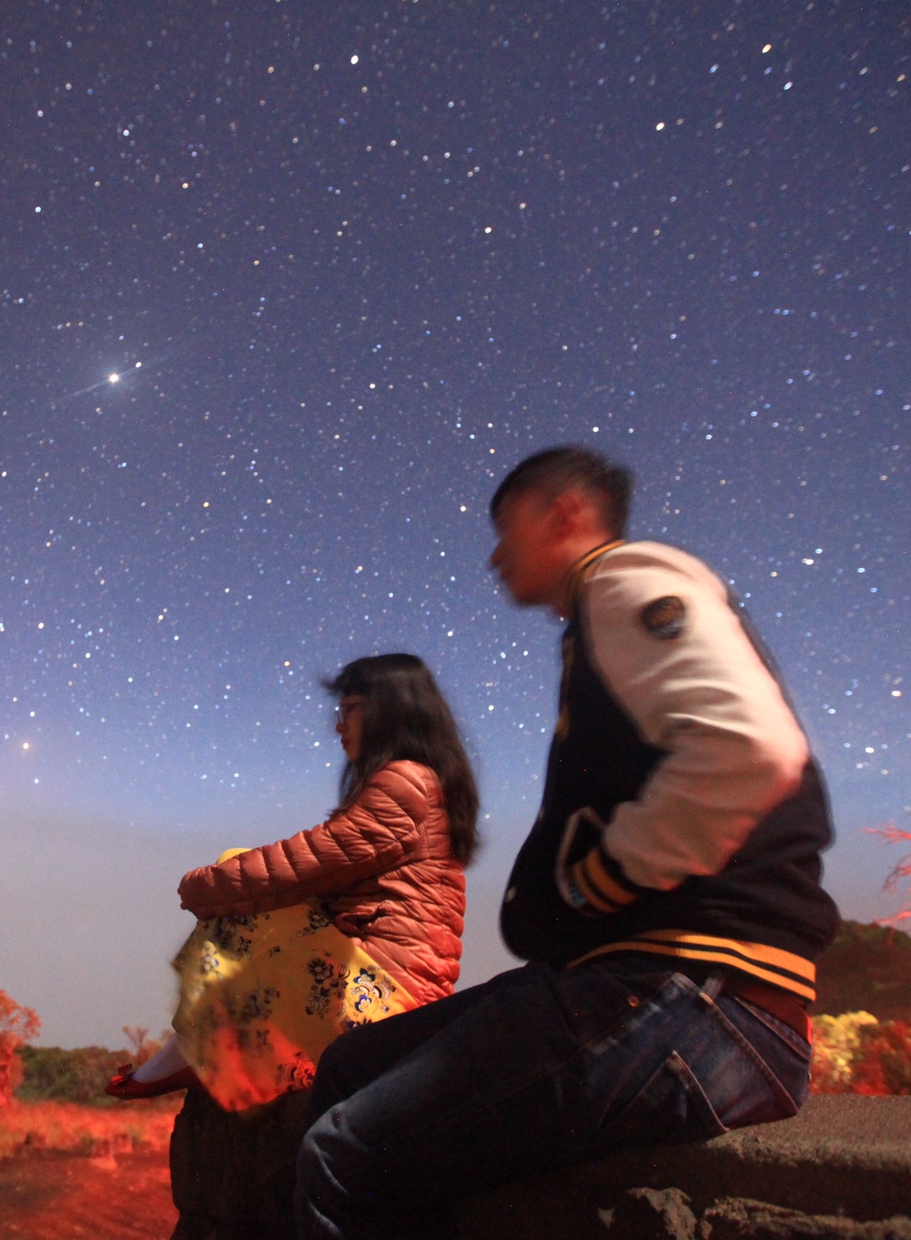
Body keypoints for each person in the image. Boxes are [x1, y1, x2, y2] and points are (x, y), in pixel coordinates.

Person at [291, 447, 839, 1239]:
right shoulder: (599, 621)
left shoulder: (628, 580)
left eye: (504, 526)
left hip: (704, 997)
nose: (493, 553)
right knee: (350, 1068)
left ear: (563, 515)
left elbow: (749, 750)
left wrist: (596, 885)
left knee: (346, 1157)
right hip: (647, 982)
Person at [108, 652, 479, 1114]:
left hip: (384, 1001)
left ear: (389, 709)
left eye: (349, 710)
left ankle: (196, 1045)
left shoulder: (405, 783)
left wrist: (199, 887)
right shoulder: (421, 783)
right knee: (255, 898)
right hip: (390, 991)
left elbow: (303, 865)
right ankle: (202, 1044)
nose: (338, 726)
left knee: (239, 874)